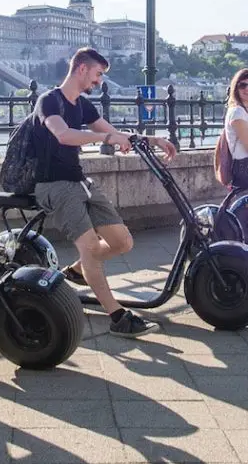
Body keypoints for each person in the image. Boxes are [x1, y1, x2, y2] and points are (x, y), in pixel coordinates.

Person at [32, 47, 177, 338]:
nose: (99, 81)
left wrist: (151, 138)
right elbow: (64, 135)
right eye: (97, 74)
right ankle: (118, 317)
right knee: (91, 249)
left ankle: (75, 271)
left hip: (79, 181)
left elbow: (112, 131)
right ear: (82, 69)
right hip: (53, 185)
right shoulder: (49, 101)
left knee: (122, 241)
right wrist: (106, 137)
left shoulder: (83, 105)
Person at [224, 68, 248, 188]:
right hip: (244, 166)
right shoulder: (237, 112)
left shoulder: (244, 111)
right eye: (243, 85)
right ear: (235, 88)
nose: (247, 89)